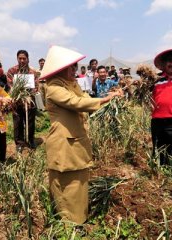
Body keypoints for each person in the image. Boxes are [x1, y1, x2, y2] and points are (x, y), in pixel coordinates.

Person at [40, 45, 122, 224]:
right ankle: (67, 222)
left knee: (79, 181)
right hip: (63, 142)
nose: (74, 70)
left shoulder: (71, 84)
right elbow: (75, 102)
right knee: (66, 182)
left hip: (76, 139)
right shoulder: (53, 87)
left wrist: (108, 96)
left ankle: (79, 218)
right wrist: (103, 100)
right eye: (71, 67)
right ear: (60, 69)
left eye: (75, 67)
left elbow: (84, 97)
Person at [7, 50, 38, 150]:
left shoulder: (32, 72)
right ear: (17, 59)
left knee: (30, 122)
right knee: (18, 122)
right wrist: (20, 95)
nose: (22, 60)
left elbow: (36, 86)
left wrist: (28, 95)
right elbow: (11, 85)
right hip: (17, 102)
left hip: (30, 102)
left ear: (28, 59)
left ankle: (31, 140)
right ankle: (19, 143)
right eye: (20, 58)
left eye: (24, 58)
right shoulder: (12, 71)